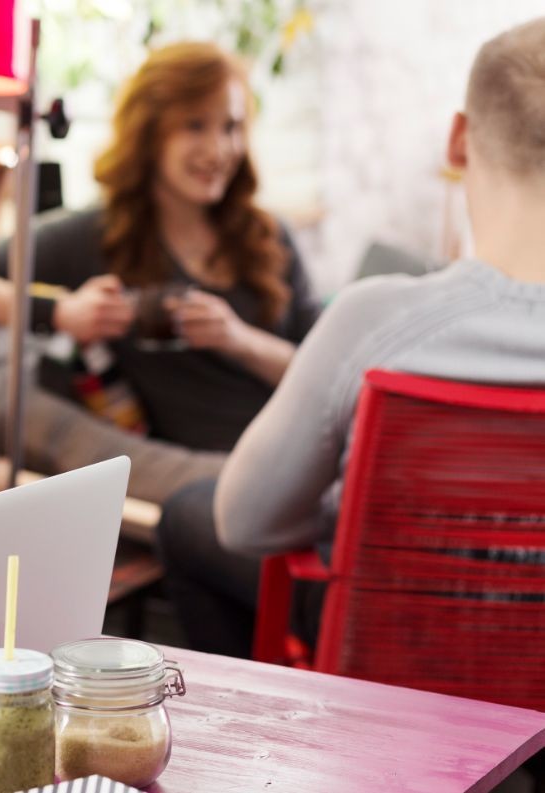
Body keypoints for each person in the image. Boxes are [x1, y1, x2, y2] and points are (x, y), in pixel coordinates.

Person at [156, 17, 545, 659]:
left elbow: (247, 521)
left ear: (457, 142)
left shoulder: (373, 321)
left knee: (193, 515)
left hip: (400, 653)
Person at [0, 42, 321, 506]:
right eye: (194, 126)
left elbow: (328, 375)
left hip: (295, 456)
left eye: (231, 127)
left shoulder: (269, 237)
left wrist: (238, 339)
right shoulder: (97, 235)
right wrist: (61, 311)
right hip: (205, 481)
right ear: (150, 134)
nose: (219, 149)